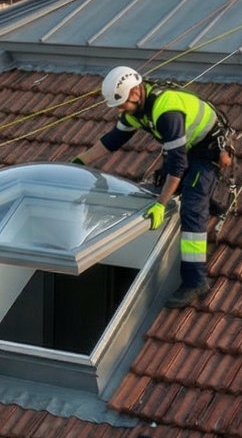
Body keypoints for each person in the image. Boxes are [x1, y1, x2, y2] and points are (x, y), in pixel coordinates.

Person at [74, 66, 233, 308]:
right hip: (187, 146)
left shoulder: (165, 110)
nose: (119, 110)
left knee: (191, 209)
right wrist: (79, 162)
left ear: (136, 93)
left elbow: (177, 166)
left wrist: (160, 205)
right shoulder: (135, 110)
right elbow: (112, 141)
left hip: (207, 150)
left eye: (121, 104)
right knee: (166, 185)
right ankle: (204, 197)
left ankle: (195, 280)